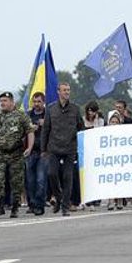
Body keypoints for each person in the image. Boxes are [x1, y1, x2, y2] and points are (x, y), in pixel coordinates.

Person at [41, 82, 83, 216]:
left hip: (70, 148)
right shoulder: (51, 109)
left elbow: (81, 128)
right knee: (51, 174)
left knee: (67, 177)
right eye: (64, 90)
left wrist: (81, 147)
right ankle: (58, 198)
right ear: (58, 91)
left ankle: (65, 205)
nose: (67, 92)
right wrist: (43, 149)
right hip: (54, 147)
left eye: (68, 90)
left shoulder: (75, 109)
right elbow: (46, 129)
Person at [25, 91, 48, 215]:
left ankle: (40, 204)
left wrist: (46, 124)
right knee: (30, 180)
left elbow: (55, 129)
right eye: (34, 101)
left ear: (43, 102)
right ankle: (32, 203)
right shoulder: (28, 115)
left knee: (40, 179)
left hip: (44, 151)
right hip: (30, 150)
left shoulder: (48, 114)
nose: (36, 104)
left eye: (39, 101)